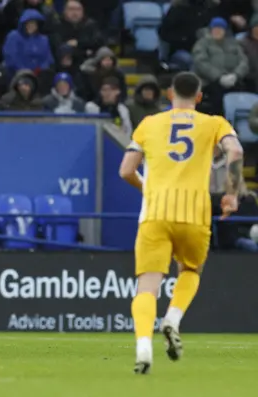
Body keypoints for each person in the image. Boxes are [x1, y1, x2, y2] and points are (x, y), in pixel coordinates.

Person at [118, 72, 244, 374]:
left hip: (155, 212)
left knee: (147, 285)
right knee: (190, 270)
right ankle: (173, 319)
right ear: (198, 97)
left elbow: (126, 170)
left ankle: (143, 348)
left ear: (170, 95)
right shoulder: (214, 123)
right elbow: (236, 150)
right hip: (194, 213)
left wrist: (147, 187)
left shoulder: (149, 124)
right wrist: (231, 194)